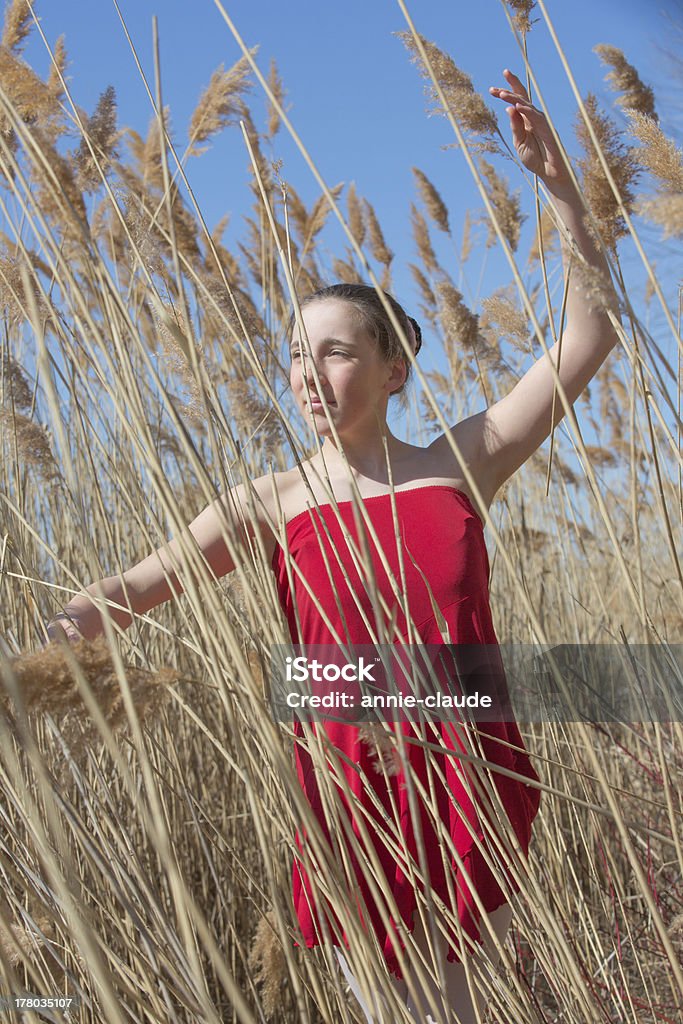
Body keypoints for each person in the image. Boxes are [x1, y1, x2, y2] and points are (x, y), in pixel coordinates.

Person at [47, 70, 620, 1022]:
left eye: (336, 351)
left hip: (469, 767)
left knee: (464, 1002)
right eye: (296, 354)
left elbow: (590, 334)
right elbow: (138, 582)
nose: (308, 373)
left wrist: (557, 187)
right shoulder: (268, 501)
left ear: (393, 368)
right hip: (352, 784)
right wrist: (66, 619)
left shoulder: (460, 463)